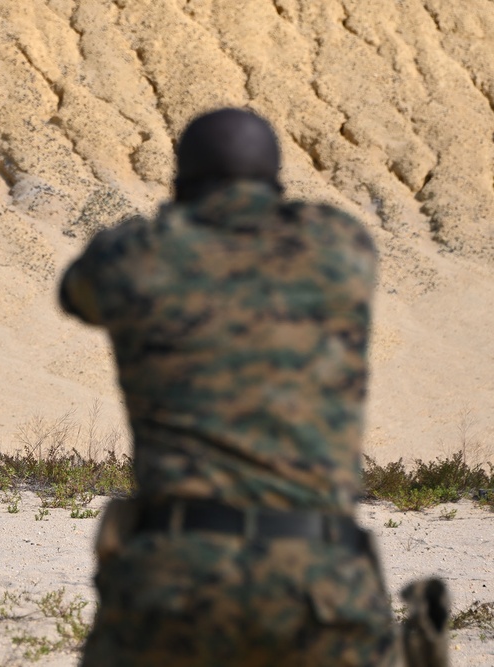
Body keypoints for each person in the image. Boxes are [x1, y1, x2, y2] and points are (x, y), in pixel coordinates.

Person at [60, 108, 448, 666]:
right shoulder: (341, 248)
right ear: (274, 182)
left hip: (176, 580)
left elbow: (77, 293)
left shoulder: (135, 257)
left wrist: (168, 221)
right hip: (322, 582)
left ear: (181, 182)